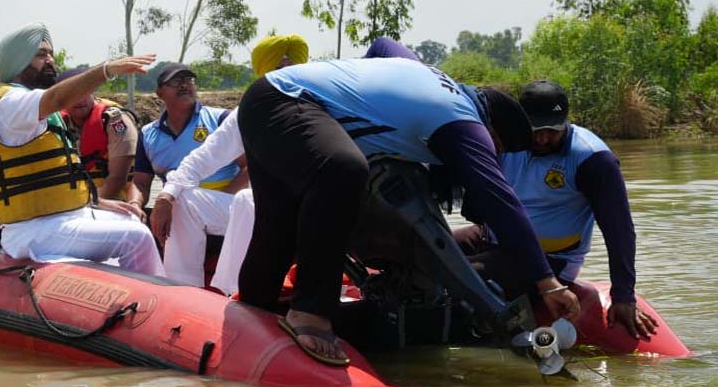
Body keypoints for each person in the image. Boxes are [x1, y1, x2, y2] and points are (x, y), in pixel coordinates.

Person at [237, 56, 581, 367]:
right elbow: (501, 203)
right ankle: (310, 313)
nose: (490, 155)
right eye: (497, 149)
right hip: (288, 102)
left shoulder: (443, 86)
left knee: (278, 223)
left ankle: (254, 306)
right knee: (344, 168)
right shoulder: (465, 123)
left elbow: (384, 45)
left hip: (265, 100)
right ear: (491, 131)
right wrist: (547, 283)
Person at [454, 80, 658, 339]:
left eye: (552, 131)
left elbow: (619, 231)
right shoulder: (505, 141)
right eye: (535, 130)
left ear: (566, 122)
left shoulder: (592, 159)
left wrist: (624, 295)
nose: (542, 138)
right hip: (494, 238)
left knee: (456, 273)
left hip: (550, 261)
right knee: (430, 248)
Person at [0, 22, 164, 276]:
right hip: (33, 230)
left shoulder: (35, 108)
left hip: (62, 219)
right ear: (17, 60)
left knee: (130, 219)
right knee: (136, 237)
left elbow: (58, 180)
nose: (50, 60)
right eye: (41, 55)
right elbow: (57, 97)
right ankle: (152, 297)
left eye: (50, 54)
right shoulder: (11, 103)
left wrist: (96, 202)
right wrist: (106, 70)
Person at [149, 34, 310, 294]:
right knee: (182, 198)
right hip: (265, 209)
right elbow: (204, 157)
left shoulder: (321, 104)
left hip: (310, 209)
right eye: (278, 68)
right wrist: (166, 195)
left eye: (291, 67)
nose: (286, 74)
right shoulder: (250, 112)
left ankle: (233, 293)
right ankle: (182, 291)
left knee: (246, 200)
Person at [131, 64, 247, 286]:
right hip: (180, 210)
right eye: (176, 81)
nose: (184, 85)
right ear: (159, 93)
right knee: (167, 205)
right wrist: (134, 205)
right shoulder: (148, 134)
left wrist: (221, 199)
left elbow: (249, 167)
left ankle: (181, 286)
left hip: (225, 205)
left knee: (180, 199)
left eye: (189, 80)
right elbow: (140, 182)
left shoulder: (219, 119)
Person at [58, 68, 142, 204]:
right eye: (72, 93)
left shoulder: (114, 120)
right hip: (79, 203)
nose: (79, 99)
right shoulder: (60, 124)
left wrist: (87, 204)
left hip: (117, 202)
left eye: (84, 91)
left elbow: (117, 179)